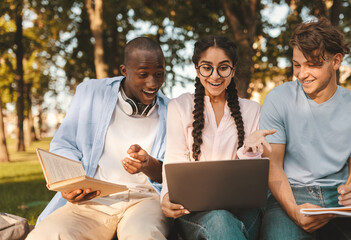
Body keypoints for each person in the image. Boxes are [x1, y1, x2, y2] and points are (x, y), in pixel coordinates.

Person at [245, 18, 351, 239]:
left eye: (312, 64)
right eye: (297, 64)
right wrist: (295, 212)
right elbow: (272, 165)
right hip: (289, 196)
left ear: (336, 61)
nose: (302, 73)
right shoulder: (279, 99)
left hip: (339, 199)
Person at [27, 37, 170, 240]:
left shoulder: (171, 111)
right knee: (47, 235)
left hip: (146, 200)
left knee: (144, 235)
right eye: (143, 74)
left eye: (159, 74)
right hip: (94, 199)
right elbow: (64, 144)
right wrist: (70, 183)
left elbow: (172, 172)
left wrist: (148, 164)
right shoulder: (91, 94)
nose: (153, 83)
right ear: (124, 71)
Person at [160, 35, 262, 240]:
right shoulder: (180, 107)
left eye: (223, 67)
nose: (215, 76)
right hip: (195, 213)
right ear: (197, 70)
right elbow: (174, 159)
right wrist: (166, 196)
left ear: (233, 70)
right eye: (207, 67)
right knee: (220, 221)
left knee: (226, 223)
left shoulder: (251, 110)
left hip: (243, 211)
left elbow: (253, 179)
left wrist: (249, 151)